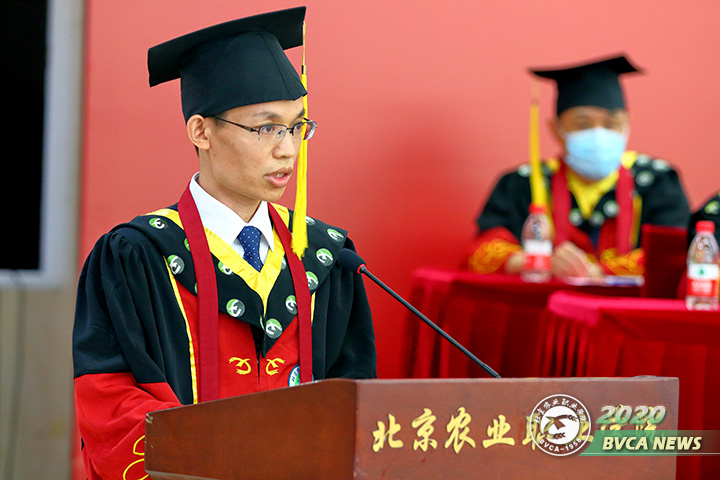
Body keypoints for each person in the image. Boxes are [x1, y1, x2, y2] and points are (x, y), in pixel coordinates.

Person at [72, 7, 377, 479]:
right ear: (201, 131)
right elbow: (108, 398)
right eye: (266, 127)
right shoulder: (137, 256)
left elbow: (353, 398)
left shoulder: (327, 257)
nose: (288, 149)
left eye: (297, 126)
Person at [468, 55, 690, 278]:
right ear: (556, 129)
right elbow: (482, 251)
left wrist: (599, 272)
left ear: (627, 124)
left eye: (611, 123)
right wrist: (535, 261)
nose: (599, 134)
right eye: (583, 124)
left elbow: (672, 253)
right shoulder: (523, 183)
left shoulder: (657, 181)